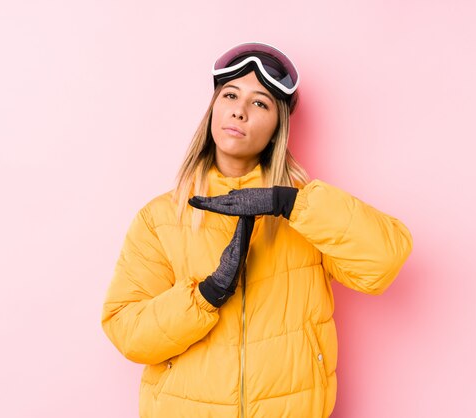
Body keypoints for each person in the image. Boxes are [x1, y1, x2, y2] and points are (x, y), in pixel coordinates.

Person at [101, 42, 413, 418]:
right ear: (213, 108)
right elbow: (128, 333)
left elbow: (384, 262)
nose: (239, 110)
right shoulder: (160, 218)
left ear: (278, 125)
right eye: (230, 94)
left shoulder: (306, 213)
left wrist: (291, 204)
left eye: (260, 103)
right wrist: (208, 294)